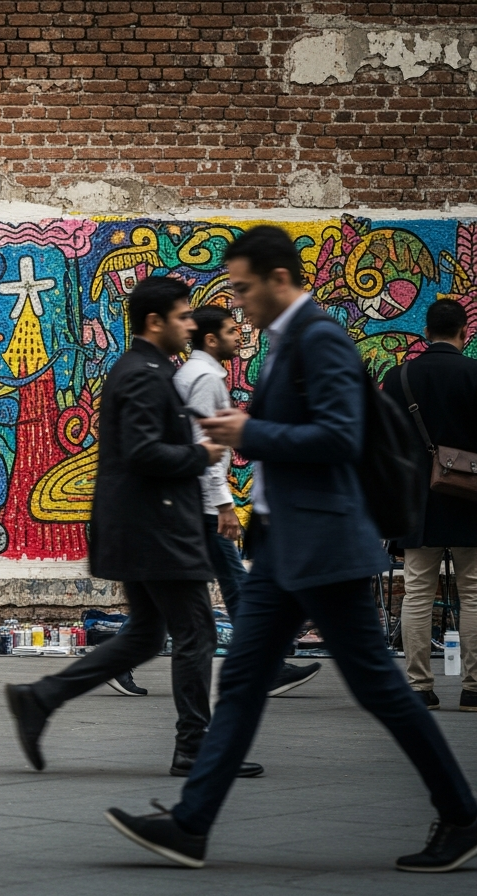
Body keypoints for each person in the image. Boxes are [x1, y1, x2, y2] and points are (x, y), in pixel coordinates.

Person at [105, 226, 477, 874]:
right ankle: (190, 825)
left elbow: (340, 437)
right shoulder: (287, 340)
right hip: (286, 543)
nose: (237, 302)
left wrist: (250, 430)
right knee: (244, 679)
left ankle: (463, 815)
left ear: (279, 279)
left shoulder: (319, 337)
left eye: (244, 288)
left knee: (379, 688)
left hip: (326, 545)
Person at [4, 276, 263, 780]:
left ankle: (40, 698)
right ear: (154, 321)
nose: (190, 326)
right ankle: (195, 749)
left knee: (146, 636)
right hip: (157, 529)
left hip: (143, 527)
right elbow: (144, 453)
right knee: (196, 632)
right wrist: (202, 453)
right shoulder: (144, 374)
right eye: (183, 317)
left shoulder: (146, 368)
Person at [173, 304, 322, 697]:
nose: (239, 334)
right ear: (210, 339)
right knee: (238, 586)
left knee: (179, 589)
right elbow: (206, 446)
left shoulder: (194, 373)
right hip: (203, 503)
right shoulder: (206, 378)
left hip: (193, 499)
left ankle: (122, 655)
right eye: (230, 330)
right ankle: (267, 669)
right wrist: (224, 505)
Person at [382, 298, 477, 712]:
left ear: (426, 332)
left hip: (416, 503)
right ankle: (474, 689)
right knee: (473, 593)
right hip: (470, 499)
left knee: (417, 592)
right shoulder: (474, 373)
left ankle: (419, 687)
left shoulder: (398, 377)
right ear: (464, 332)